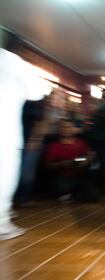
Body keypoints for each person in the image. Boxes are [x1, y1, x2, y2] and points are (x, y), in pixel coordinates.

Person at [0, 31, 51, 240]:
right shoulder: (17, 63)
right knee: (4, 175)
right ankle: (2, 223)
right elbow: (38, 91)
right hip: (5, 131)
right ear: (21, 49)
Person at [44, 119, 98, 202]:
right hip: (63, 176)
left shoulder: (80, 142)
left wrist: (86, 161)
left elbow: (90, 154)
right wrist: (63, 164)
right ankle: (70, 195)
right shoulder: (54, 146)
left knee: (94, 196)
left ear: (73, 129)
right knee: (60, 189)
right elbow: (47, 165)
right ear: (59, 129)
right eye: (63, 127)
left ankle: (71, 196)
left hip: (79, 174)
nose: (66, 129)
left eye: (69, 127)